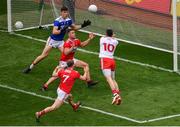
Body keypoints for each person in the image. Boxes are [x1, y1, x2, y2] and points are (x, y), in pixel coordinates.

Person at [23, 6, 91, 73]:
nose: (66, 13)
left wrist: (83, 25)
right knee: (43, 55)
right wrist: (62, 30)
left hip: (60, 41)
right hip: (52, 40)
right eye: (64, 12)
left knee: (66, 54)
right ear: (61, 13)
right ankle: (30, 67)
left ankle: (64, 69)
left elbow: (75, 28)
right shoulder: (57, 21)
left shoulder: (68, 20)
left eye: (67, 12)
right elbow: (54, 32)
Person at [99, 29, 121, 105]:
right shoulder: (115, 42)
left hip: (105, 60)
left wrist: (110, 36)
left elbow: (104, 36)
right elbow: (113, 38)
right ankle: (118, 96)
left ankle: (115, 94)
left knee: (108, 78)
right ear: (112, 34)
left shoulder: (102, 39)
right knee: (113, 79)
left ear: (106, 33)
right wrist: (112, 36)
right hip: (112, 60)